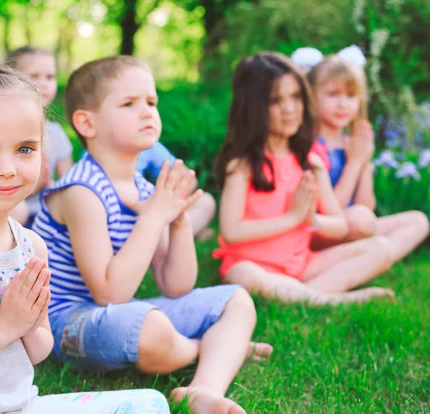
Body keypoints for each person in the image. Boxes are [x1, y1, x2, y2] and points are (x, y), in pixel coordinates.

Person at [0, 61, 170, 413]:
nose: (7, 168)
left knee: (149, 404)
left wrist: (28, 324)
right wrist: (6, 327)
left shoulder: (31, 246)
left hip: (19, 406)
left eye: (24, 149)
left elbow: (38, 351)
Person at [32, 56, 272, 414]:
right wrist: (154, 217)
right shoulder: (82, 191)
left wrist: (177, 221)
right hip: (65, 324)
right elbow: (109, 292)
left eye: (151, 102)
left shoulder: (146, 191)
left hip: (116, 314)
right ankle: (212, 345)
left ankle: (203, 388)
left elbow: (175, 286)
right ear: (87, 122)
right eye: (129, 104)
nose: (146, 112)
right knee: (149, 328)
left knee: (237, 300)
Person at [214, 52, 396, 305]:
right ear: (253, 107)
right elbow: (231, 231)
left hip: (302, 264)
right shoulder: (242, 166)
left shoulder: (310, 162)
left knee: (382, 248)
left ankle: (301, 294)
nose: (289, 109)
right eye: (276, 100)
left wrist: (312, 219)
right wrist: (292, 218)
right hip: (255, 267)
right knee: (242, 276)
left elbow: (340, 225)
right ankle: (330, 300)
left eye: (296, 97)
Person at [299, 48, 429, 257]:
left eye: (351, 96)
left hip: (356, 223)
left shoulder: (352, 144)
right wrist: (354, 164)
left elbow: (366, 206)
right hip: (321, 228)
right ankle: (363, 257)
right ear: (312, 97)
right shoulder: (310, 146)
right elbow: (330, 212)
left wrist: (364, 162)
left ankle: (371, 257)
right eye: (333, 95)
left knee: (418, 221)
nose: (343, 104)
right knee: (360, 219)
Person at [6, 47, 74, 228]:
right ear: (10, 82)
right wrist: (36, 187)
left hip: (48, 209)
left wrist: (52, 187)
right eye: (34, 76)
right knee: (17, 211)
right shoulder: (6, 131)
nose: (44, 83)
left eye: (50, 77)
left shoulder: (56, 132)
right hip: (14, 209)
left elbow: (69, 180)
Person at [137, 141, 216, 240]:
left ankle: (170, 238)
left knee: (205, 201)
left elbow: (188, 178)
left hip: (152, 215)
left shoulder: (146, 144)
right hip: (132, 220)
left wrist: (164, 207)